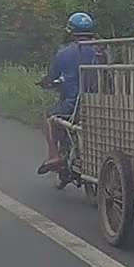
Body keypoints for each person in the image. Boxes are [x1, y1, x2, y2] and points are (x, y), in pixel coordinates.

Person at [37, 11, 98, 174]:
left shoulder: (63, 53)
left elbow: (52, 76)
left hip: (73, 105)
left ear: (70, 31)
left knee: (49, 118)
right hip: (100, 104)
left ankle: (53, 155)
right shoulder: (101, 51)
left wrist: (45, 82)